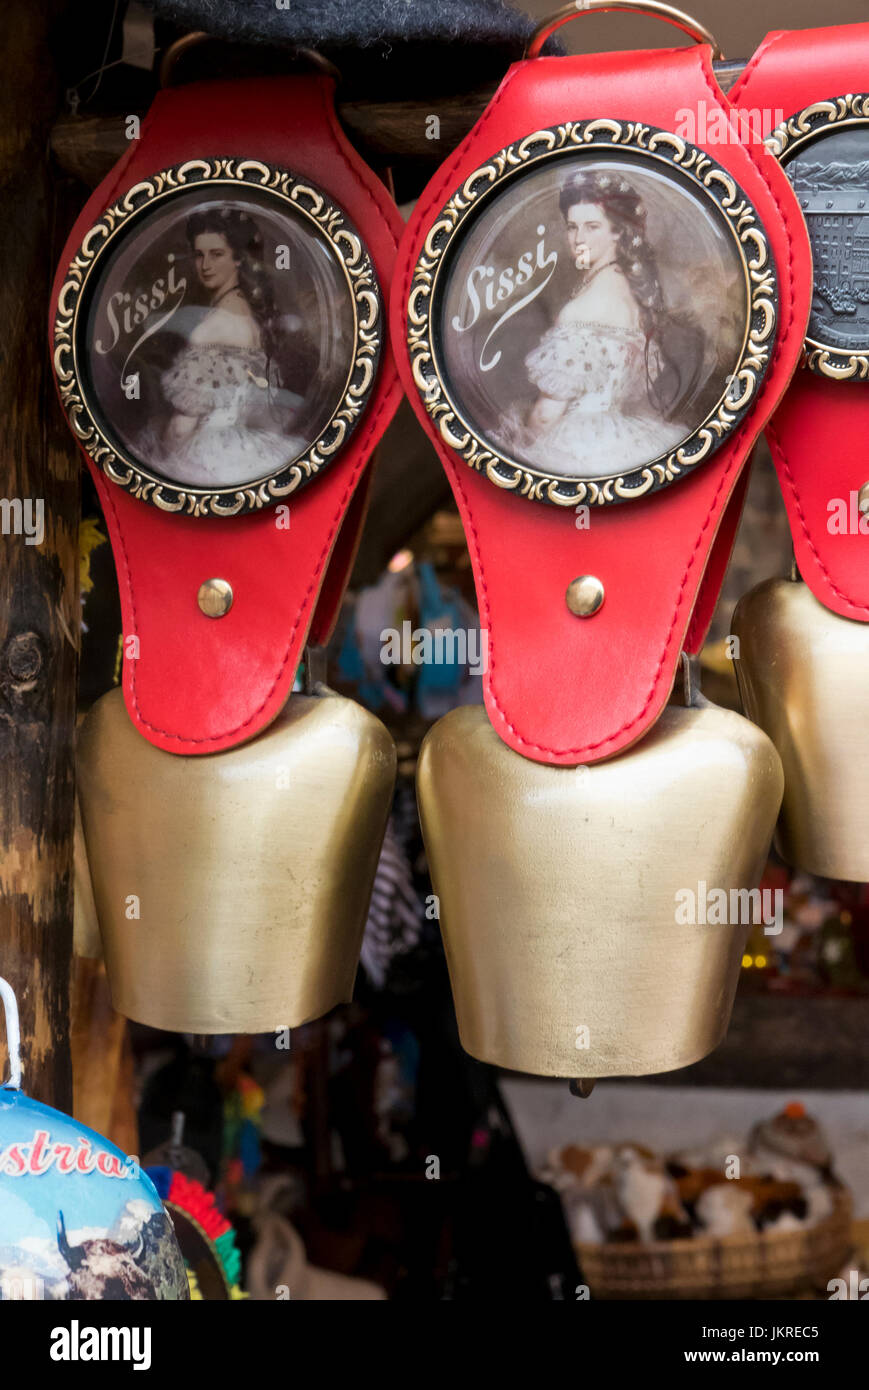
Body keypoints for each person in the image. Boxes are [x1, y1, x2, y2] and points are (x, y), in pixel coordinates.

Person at [497, 171, 699, 479]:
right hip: (622, 434)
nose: (579, 239)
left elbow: (548, 413)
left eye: (592, 227)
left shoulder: (582, 309)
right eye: (572, 227)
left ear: (617, 231)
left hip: (580, 442)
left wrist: (528, 447)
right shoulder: (631, 294)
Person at [150, 207, 311, 488]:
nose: (205, 265)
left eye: (216, 254)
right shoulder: (242, 311)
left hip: (209, 449)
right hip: (235, 439)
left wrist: (163, 459)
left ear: (237, 258)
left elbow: (180, 427)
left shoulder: (211, 329)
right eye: (199, 255)